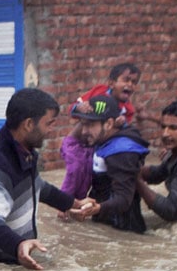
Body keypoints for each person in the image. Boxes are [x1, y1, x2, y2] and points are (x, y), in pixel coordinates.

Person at [0, 88, 95, 269]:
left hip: (17, 256)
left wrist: (74, 204)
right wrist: (18, 245)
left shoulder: (23, 151)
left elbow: (38, 187)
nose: (52, 130)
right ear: (28, 124)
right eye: (48, 123)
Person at [61, 63, 157, 203]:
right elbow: (72, 110)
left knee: (87, 174)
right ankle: (63, 203)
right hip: (76, 143)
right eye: (126, 80)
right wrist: (79, 107)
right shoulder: (98, 93)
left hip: (93, 146)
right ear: (111, 83)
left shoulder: (127, 110)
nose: (130, 85)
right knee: (75, 170)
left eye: (134, 82)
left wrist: (122, 123)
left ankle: (78, 203)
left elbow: (123, 131)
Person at [72, 95, 151, 233]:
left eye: (90, 125)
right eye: (83, 124)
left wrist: (98, 208)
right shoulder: (103, 140)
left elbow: (123, 199)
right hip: (104, 225)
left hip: (124, 231)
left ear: (108, 124)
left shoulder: (122, 151)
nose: (84, 131)